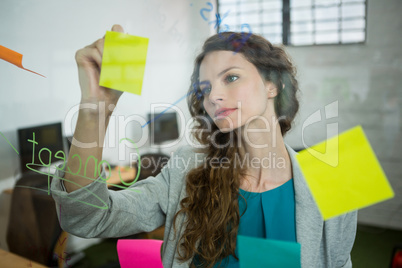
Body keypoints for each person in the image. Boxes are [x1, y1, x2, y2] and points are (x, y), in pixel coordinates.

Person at [51, 24, 357, 268]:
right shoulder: (188, 169)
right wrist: (96, 107)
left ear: (272, 84)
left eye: (231, 77)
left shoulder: (335, 179)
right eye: (205, 88)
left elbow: (340, 262)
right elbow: (87, 216)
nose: (213, 96)